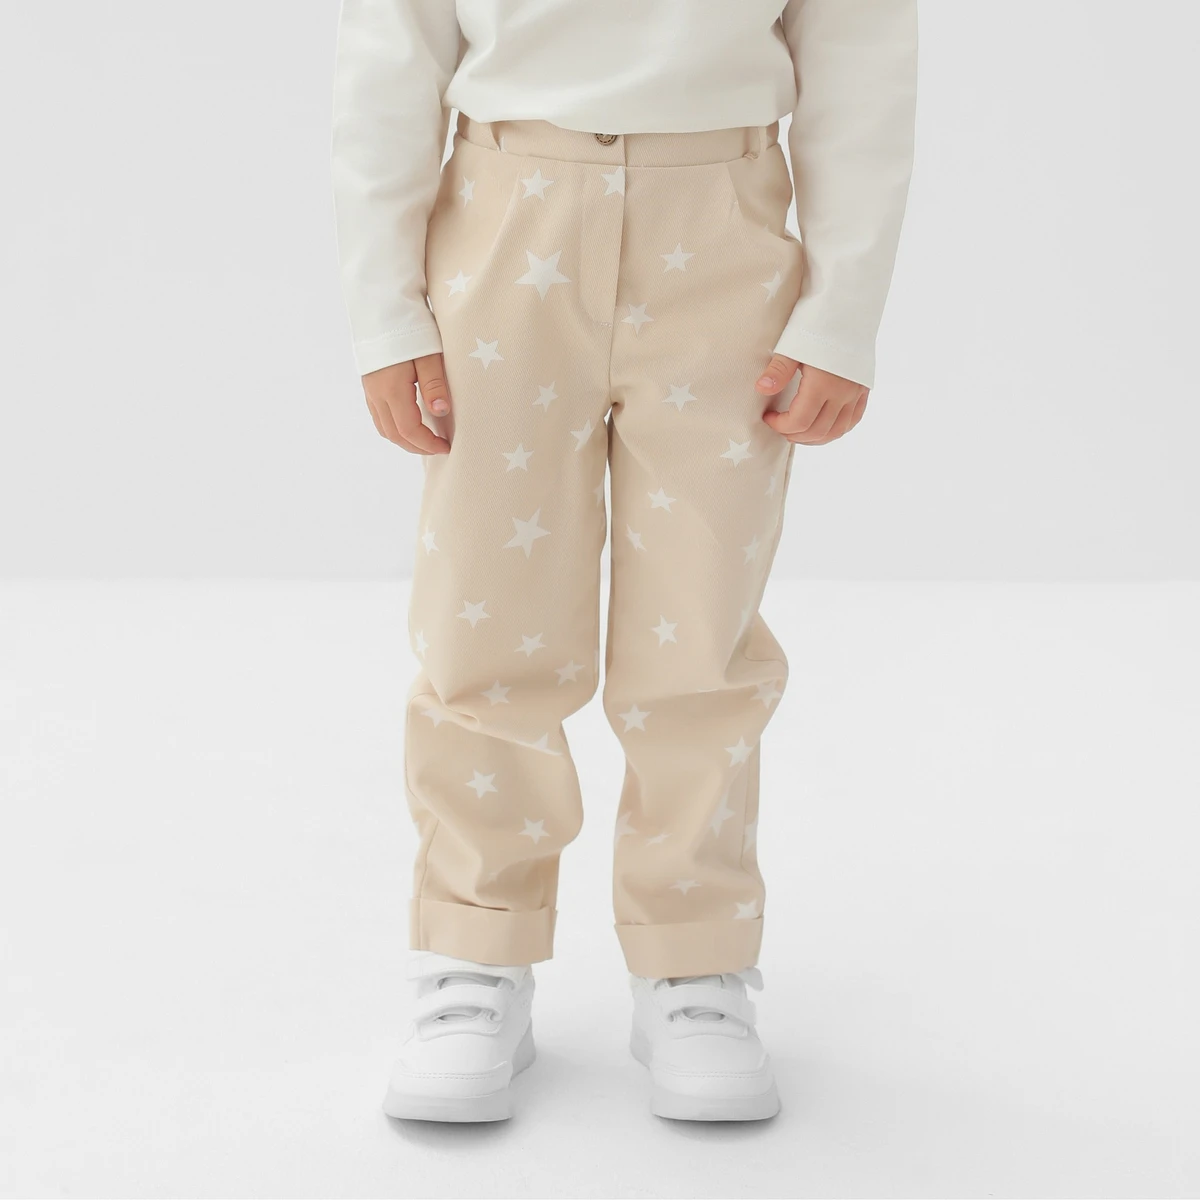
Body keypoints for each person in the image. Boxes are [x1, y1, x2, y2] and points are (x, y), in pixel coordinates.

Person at [332, 0, 917, 1123]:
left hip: (723, 225)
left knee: (701, 629)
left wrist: (842, 312)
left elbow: (862, 56)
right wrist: (385, 311)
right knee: (485, 619)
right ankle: (474, 949)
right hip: (504, 215)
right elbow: (390, 51)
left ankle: (693, 960)